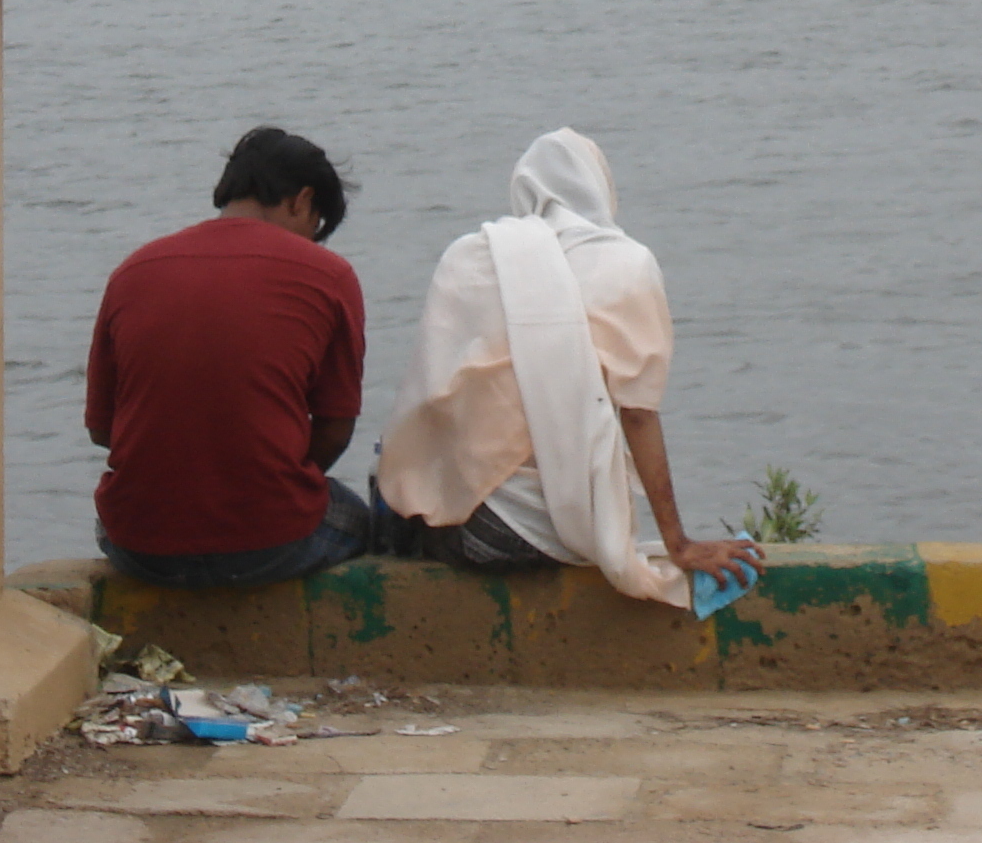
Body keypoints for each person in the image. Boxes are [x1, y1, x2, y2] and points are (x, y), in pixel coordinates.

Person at [375, 127, 762, 605]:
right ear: (600, 186)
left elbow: (426, 398)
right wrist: (677, 543)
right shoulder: (628, 266)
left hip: (450, 532)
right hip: (547, 538)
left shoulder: (473, 255)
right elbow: (637, 414)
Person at [85, 126, 370, 586]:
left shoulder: (133, 271)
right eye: (314, 228)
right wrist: (269, 487)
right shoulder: (329, 276)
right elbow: (335, 430)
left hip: (140, 545)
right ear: (301, 200)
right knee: (364, 519)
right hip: (270, 544)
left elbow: (103, 430)